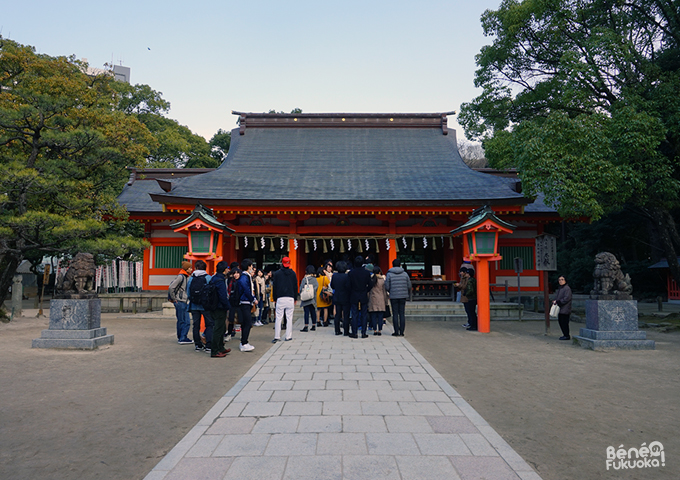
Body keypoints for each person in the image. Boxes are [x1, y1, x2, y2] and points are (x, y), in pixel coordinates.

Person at [187, 260, 213, 353]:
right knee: (209, 324)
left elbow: (188, 292)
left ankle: (198, 345)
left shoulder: (191, 278)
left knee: (195, 326)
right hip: (205, 305)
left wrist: (192, 299)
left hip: (194, 305)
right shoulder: (208, 278)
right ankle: (209, 345)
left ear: (196, 268)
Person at [208, 261, 232, 358]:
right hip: (219, 307)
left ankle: (221, 347)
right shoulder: (220, 280)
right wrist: (227, 306)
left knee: (221, 328)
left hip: (213, 305)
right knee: (218, 329)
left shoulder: (213, 278)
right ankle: (214, 350)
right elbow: (222, 296)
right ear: (224, 269)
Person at [272, 256, 298, 342]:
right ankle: (288, 336)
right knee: (289, 317)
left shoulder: (277, 274)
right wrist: (295, 298)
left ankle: (277, 336)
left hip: (280, 298)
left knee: (279, 318)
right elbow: (295, 286)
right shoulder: (293, 274)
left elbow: (274, 287)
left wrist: (274, 298)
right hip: (290, 297)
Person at [384, 258, 412, 337]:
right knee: (402, 313)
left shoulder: (389, 274)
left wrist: (391, 290)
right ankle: (402, 331)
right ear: (400, 265)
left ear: (392, 265)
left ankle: (396, 331)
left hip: (394, 295)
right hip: (403, 296)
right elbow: (409, 285)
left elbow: (387, 286)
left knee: (395, 314)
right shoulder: (405, 274)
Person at [168, 261, 193, 345]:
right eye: (190, 268)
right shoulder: (181, 277)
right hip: (181, 300)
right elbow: (171, 287)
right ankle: (183, 337)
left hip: (182, 301)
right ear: (186, 268)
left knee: (181, 320)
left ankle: (181, 337)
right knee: (185, 321)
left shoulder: (185, 276)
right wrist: (174, 298)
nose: (191, 269)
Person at [348, 255, 373, 338]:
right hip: (363, 293)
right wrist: (366, 290)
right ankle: (363, 332)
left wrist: (351, 291)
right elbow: (370, 284)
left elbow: (348, 285)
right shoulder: (366, 273)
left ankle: (354, 332)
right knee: (364, 314)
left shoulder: (351, 272)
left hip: (354, 294)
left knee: (354, 314)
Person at [237, 259, 258, 352]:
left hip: (245, 301)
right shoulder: (245, 277)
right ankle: (244, 342)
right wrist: (252, 298)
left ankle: (244, 341)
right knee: (248, 323)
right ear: (249, 266)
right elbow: (246, 289)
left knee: (246, 323)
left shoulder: (245, 276)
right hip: (245, 301)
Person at [331, 260, 350, 336]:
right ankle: (346, 331)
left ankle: (337, 330)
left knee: (337, 314)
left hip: (337, 296)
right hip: (345, 297)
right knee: (346, 315)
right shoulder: (347, 276)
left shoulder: (334, 276)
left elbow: (332, 286)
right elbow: (348, 286)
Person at [368, 266, 388, 336]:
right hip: (381, 299)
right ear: (379, 272)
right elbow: (384, 291)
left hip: (373, 299)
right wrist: (386, 301)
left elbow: (368, 291)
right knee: (380, 316)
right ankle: (379, 330)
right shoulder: (382, 280)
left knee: (373, 316)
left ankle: (374, 330)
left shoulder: (371, 279)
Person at [299, 265, 319, 332]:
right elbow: (316, 287)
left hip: (305, 298)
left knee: (306, 312)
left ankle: (306, 326)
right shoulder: (314, 279)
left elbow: (301, 288)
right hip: (312, 298)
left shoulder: (305, 279)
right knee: (313, 311)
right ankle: (313, 325)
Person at [553, 275, 573, 340]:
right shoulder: (560, 288)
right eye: (559, 280)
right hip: (561, 308)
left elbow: (567, 298)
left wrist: (558, 301)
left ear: (565, 280)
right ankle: (565, 334)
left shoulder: (567, 288)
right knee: (561, 322)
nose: (560, 281)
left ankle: (566, 335)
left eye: (562, 279)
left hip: (565, 308)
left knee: (564, 322)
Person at [226, 262, 240, 341]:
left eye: (237, 273)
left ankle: (242, 335)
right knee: (231, 319)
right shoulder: (229, 280)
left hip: (239, 302)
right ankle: (229, 333)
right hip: (231, 301)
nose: (236, 274)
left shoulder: (241, 281)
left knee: (241, 319)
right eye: (234, 273)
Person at [461, 267, 478, 331]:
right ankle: (474, 325)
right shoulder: (474, 279)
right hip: (474, 298)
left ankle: (473, 325)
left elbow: (470, 290)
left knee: (471, 312)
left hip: (470, 298)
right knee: (473, 312)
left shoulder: (470, 280)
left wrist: (466, 294)